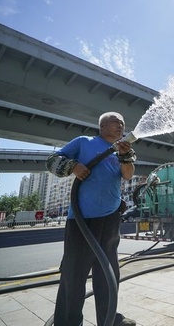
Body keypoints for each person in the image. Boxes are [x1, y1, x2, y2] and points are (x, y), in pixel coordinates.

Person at [46, 111, 137, 326]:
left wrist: (126, 157)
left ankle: (109, 318)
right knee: (73, 273)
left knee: (107, 272)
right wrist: (73, 166)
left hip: (110, 218)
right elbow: (52, 161)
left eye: (123, 123)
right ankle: (67, 321)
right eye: (116, 122)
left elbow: (128, 174)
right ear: (102, 126)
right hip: (81, 220)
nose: (121, 126)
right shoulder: (84, 142)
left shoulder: (123, 150)